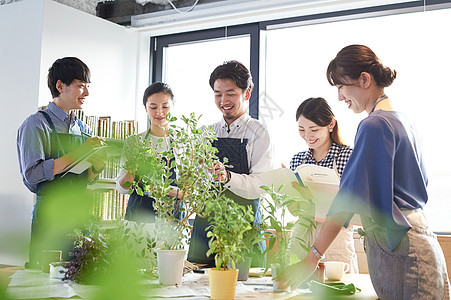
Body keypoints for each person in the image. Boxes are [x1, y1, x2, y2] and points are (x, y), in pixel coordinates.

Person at [276, 45, 450, 299]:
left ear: (364, 79)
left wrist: (311, 257)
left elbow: (345, 202)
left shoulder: (374, 125)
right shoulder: (402, 120)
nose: (339, 97)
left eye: (341, 87)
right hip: (421, 242)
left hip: (402, 249)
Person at [17, 57, 107, 268]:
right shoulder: (36, 124)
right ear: (60, 86)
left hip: (79, 216)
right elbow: (32, 175)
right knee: (45, 282)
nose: (86, 93)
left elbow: (88, 180)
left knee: (80, 279)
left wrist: (97, 165)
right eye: (81, 86)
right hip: (50, 217)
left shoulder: (84, 129)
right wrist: (80, 152)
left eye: (87, 87)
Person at [187, 60, 273, 267]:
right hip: (206, 228)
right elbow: (195, 183)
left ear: (247, 93)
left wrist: (227, 177)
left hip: (243, 228)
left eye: (231, 93)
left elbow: (260, 186)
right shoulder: (206, 132)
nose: (224, 100)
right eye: (218, 94)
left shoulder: (258, 132)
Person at [288, 97, 358, 274]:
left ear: (331, 124)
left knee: (338, 288)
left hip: (337, 236)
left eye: (314, 129)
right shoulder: (298, 159)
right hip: (303, 232)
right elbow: (294, 210)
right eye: (301, 129)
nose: (307, 136)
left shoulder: (348, 156)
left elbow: (357, 203)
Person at [116, 82, 183, 223]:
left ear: (173, 107)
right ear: (146, 108)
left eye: (165, 107)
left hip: (171, 223)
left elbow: (190, 193)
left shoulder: (183, 143)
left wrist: (163, 190)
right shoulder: (134, 142)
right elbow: (122, 188)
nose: (159, 112)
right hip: (137, 220)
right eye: (153, 107)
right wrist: (132, 167)